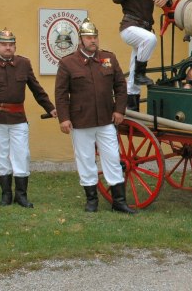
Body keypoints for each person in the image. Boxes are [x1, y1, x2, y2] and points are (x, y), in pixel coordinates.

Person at [54, 18, 136, 214]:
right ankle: (92, 201)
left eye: (95, 37)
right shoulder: (68, 63)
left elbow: (120, 86)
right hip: (81, 121)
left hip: (107, 119)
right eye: (89, 37)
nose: (93, 41)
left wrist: (119, 110)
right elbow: (61, 93)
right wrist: (63, 118)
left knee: (112, 158)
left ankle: (119, 202)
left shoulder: (108, 58)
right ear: (80, 40)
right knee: (86, 160)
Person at [0, 29, 57, 208]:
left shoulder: (24, 64)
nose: (7, 48)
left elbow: (36, 88)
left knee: (22, 155)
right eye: (4, 45)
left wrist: (50, 108)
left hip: (18, 118)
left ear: (15, 46)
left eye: (11, 45)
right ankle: (6, 195)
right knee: (0, 156)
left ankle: (21, 196)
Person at [111, 0, 172, 112]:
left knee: (134, 61)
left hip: (144, 28)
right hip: (129, 27)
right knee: (150, 39)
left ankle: (132, 103)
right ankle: (140, 74)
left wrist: (166, 0)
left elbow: (167, 1)